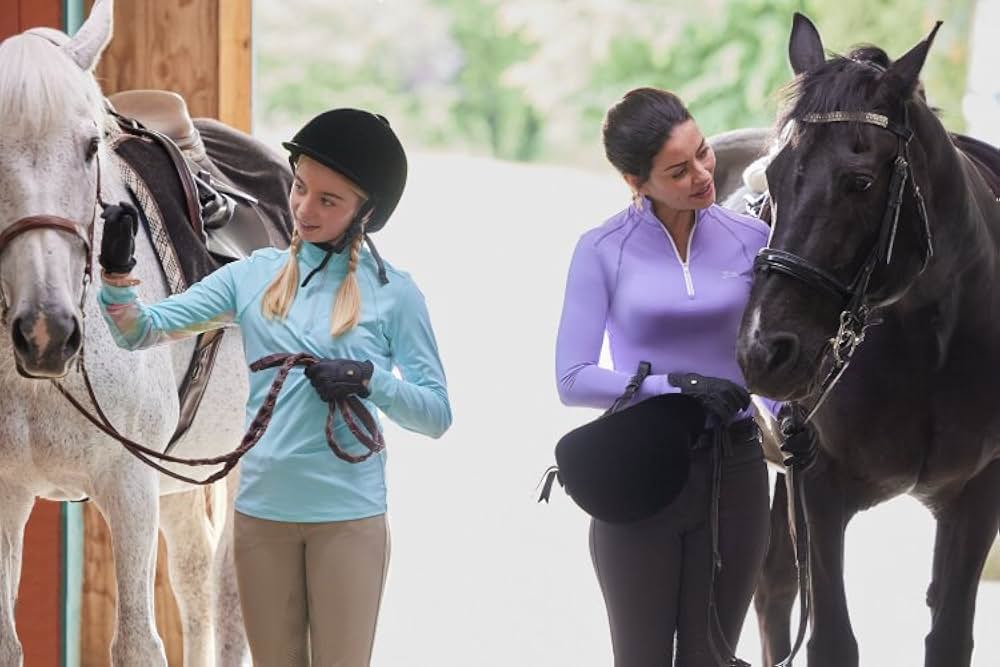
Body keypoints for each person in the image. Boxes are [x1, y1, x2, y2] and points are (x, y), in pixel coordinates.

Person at [97, 108, 451, 666]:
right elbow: (140, 331)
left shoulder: (396, 295)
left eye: (328, 201)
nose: (304, 211)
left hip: (348, 521)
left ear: (367, 212)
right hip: (261, 521)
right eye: (300, 188)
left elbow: (435, 413)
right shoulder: (251, 275)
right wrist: (116, 275)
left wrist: (369, 380)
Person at [554, 87, 814, 666]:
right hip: (643, 470)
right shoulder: (601, 250)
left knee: (711, 658)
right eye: (678, 169)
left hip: (737, 472)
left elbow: (763, 368)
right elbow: (571, 377)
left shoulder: (753, 239)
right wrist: (675, 387)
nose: (701, 174)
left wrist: (786, 416)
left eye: (701, 152)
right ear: (634, 180)